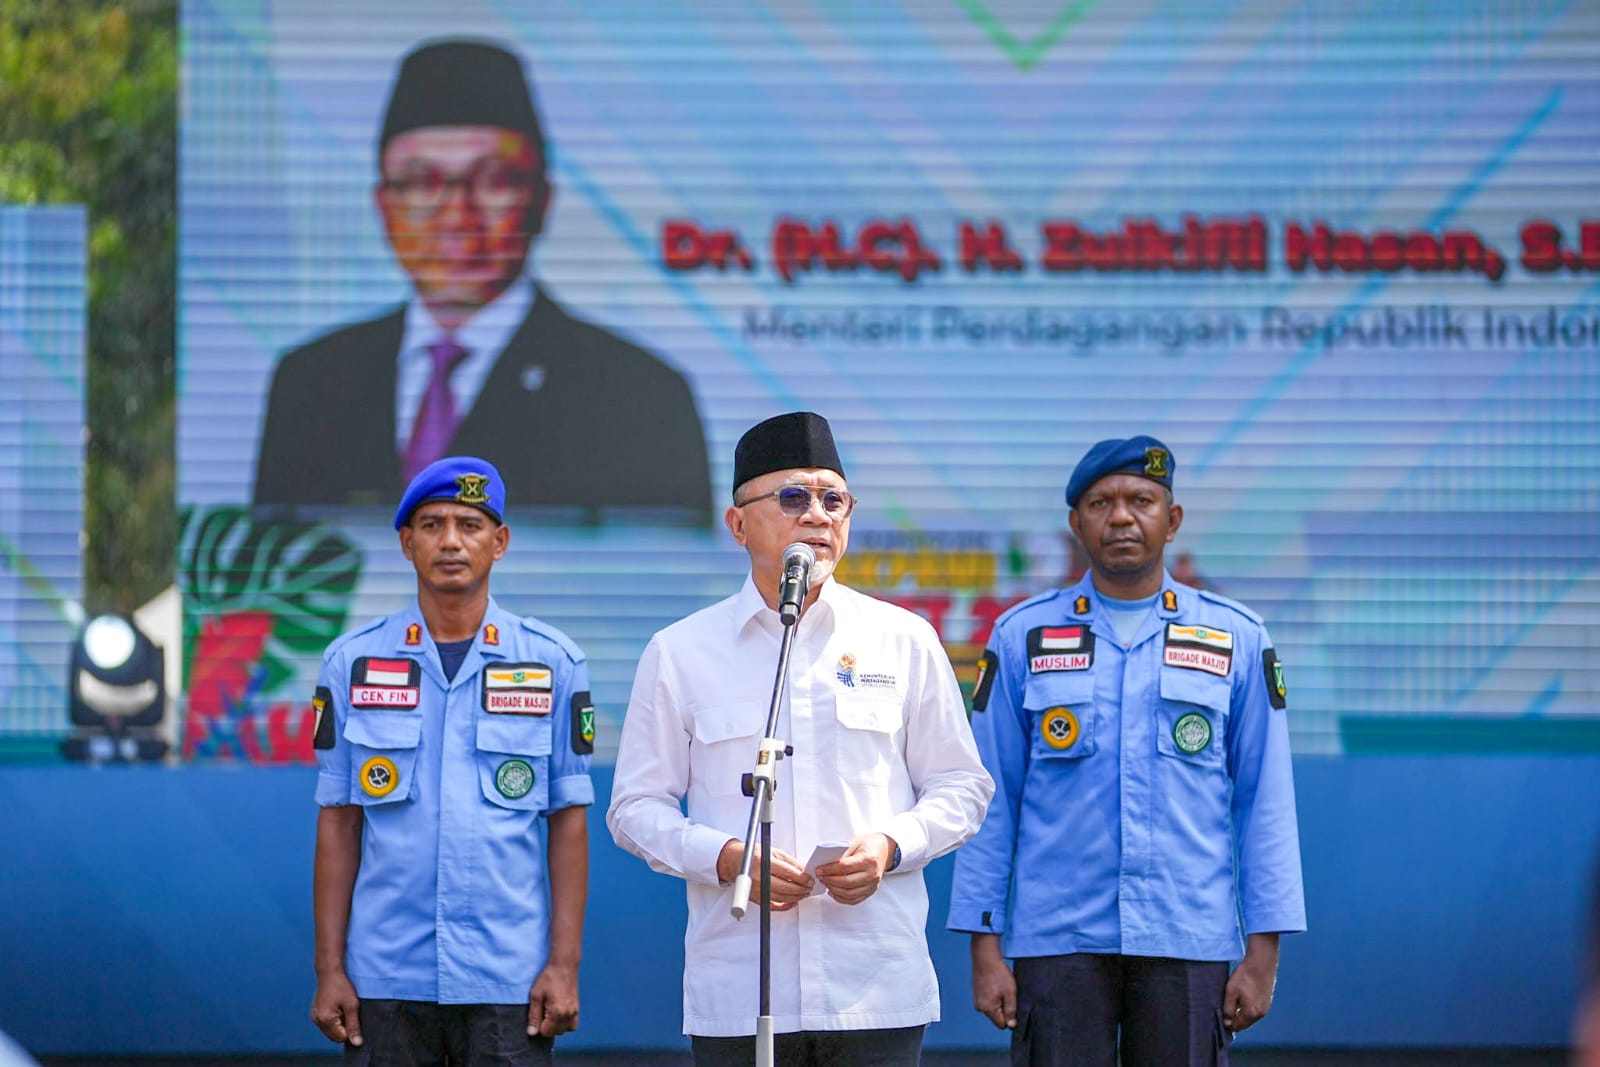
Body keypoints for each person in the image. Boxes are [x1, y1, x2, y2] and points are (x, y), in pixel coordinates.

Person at [607, 411, 994, 1066]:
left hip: (873, 984)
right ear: (738, 524)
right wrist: (728, 855)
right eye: (793, 497)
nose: (817, 514)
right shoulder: (681, 651)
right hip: (740, 985)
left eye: (833, 498)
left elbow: (962, 785)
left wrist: (889, 846)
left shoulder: (902, 639)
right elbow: (633, 809)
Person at [949, 435, 1305, 1066]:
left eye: (1141, 499)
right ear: (1074, 523)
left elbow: (1264, 801)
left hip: (1187, 934)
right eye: (1100, 502)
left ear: (1172, 521)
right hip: (1058, 937)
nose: (1120, 517)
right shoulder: (1022, 635)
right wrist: (984, 943)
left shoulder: (1237, 637)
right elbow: (987, 798)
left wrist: (1264, 949)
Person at [254, 38, 710, 524]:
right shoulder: (310, 382)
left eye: (493, 179)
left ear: (542, 201)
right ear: (384, 206)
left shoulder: (639, 393)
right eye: (424, 182)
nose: (456, 215)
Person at [310, 456, 594, 1065]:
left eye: (470, 525)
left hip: (507, 978)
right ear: (407, 543)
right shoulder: (351, 663)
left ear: (500, 542)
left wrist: (563, 966)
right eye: (432, 525)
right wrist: (329, 968)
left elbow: (568, 822)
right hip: (383, 977)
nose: (451, 541)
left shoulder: (553, 664)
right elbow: (338, 821)